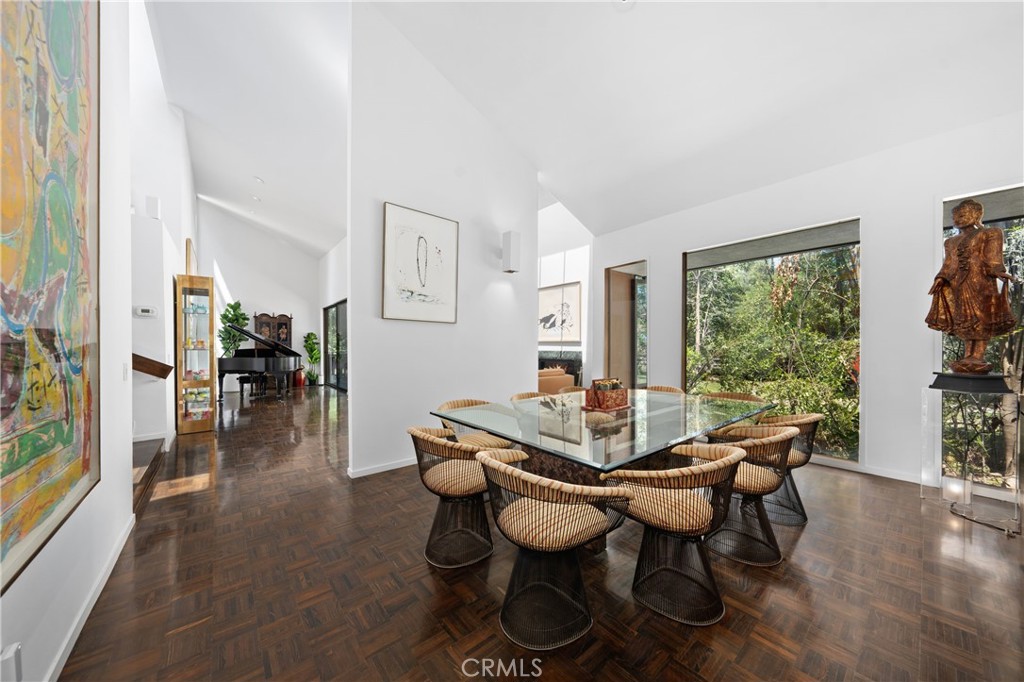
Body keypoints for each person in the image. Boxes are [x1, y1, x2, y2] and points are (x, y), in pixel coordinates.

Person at [926, 198, 1016, 373]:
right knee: (964, 318)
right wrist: (941, 278)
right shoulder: (951, 242)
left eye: (963, 214)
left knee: (981, 316)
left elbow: (993, 257)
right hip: (959, 284)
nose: (958, 219)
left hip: (982, 282)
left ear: (976, 215)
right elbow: (949, 264)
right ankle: (969, 355)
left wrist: (998, 270)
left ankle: (978, 356)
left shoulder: (990, 233)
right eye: (955, 216)